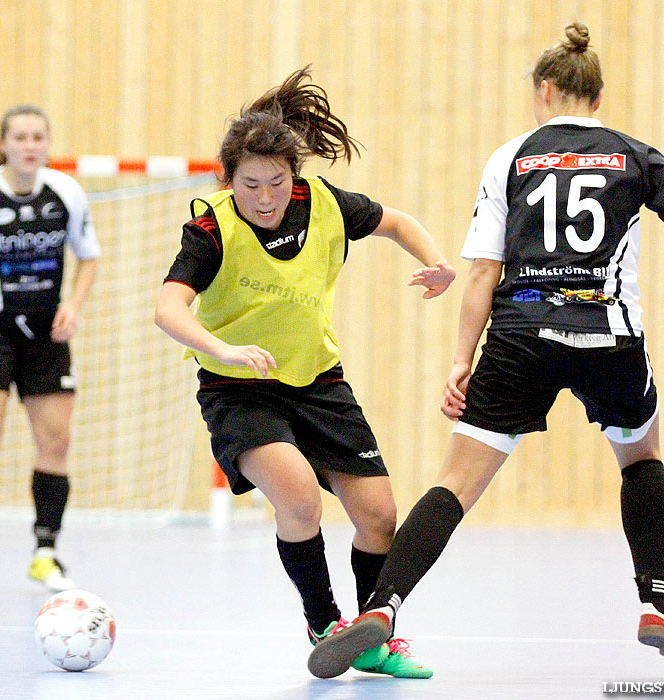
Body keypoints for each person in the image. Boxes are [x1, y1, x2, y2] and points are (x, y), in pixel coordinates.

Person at [307, 22, 664, 678]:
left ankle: (381, 607)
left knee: (455, 483)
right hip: (607, 337)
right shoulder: (636, 155)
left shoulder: (512, 158)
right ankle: (655, 606)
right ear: (597, 100)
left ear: (544, 91)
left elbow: (480, 273)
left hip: (519, 336)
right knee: (640, 457)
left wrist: (462, 359)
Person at [154, 66, 455, 679]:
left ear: (294, 176)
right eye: (249, 185)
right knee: (295, 496)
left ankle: (375, 636)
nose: (265, 199)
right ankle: (324, 624)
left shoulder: (324, 206)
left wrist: (438, 263)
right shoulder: (212, 229)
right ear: (228, 180)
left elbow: (396, 221)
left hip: (318, 382)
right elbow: (166, 308)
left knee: (378, 516)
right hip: (238, 390)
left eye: (277, 182)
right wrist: (224, 348)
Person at [0, 104, 100, 592]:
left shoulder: (66, 193)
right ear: (4, 143)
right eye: (20, 137)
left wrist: (73, 308)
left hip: (46, 331)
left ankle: (46, 552)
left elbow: (88, 258)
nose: (29, 145)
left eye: (38, 137)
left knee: (56, 442)